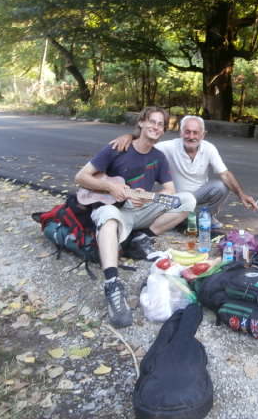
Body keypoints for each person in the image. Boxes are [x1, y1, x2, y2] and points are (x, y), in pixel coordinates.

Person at [75, 106, 195, 328]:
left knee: (187, 199)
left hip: (139, 211)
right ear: (141, 122)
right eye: (152, 121)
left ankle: (142, 238)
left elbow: (169, 190)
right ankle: (112, 284)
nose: (156, 127)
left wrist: (149, 197)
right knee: (110, 215)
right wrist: (109, 187)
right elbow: (81, 177)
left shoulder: (159, 157)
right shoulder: (117, 147)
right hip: (113, 209)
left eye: (161, 124)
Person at [110, 115, 258, 229]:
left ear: (203, 134)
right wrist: (129, 136)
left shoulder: (209, 148)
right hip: (176, 199)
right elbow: (145, 143)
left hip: (199, 195)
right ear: (181, 133)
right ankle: (184, 218)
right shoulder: (169, 146)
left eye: (195, 133)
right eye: (187, 132)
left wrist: (242, 195)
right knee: (179, 200)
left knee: (221, 185)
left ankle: (205, 217)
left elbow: (225, 174)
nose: (191, 136)